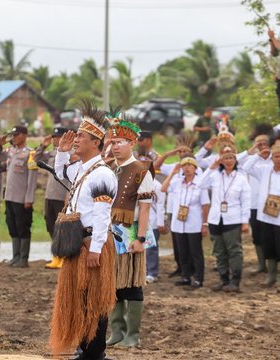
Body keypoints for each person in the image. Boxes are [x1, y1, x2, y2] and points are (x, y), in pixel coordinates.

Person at [50, 100, 117, 360]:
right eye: (76, 134)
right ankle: (84, 347)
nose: (75, 139)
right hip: (79, 243)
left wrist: (96, 250)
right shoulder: (83, 168)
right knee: (79, 298)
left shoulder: (102, 174)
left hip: (92, 244)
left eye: (80, 136)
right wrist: (62, 152)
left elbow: (102, 217)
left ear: (96, 143)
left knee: (95, 299)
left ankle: (94, 352)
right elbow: (61, 173)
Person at [104, 110, 155, 348]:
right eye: (112, 142)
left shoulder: (142, 171)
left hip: (131, 231)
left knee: (132, 283)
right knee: (113, 282)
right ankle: (117, 331)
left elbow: (144, 210)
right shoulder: (109, 169)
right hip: (110, 233)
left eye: (119, 143)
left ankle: (132, 335)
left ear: (132, 143)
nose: (114, 147)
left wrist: (140, 238)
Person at [243, 140, 280, 287]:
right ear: (272, 158)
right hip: (265, 217)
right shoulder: (265, 170)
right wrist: (258, 155)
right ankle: (271, 276)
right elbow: (246, 167)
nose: (279, 159)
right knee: (268, 246)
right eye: (276, 156)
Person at [197, 145, 251, 292]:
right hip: (215, 219)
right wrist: (212, 167)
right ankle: (224, 279)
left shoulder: (241, 178)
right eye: (225, 158)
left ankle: (235, 281)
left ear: (235, 160)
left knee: (234, 250)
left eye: (231, 157)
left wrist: (245, 221)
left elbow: (246, 202)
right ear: (221, 160)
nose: (228, 160)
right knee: (219, 251)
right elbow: (200, 184)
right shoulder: (214, 175)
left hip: (233, 219)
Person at [0, 126, 38, 268]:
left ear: (24, 136)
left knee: (23, 226)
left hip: (22, 197)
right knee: (12, 226)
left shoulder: (30, 153)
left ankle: (23, 259)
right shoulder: (10, 151)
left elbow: (32, 178)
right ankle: (15, 256)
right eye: (13, 135)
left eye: (17, 135)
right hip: (10, 196)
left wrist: (29, 198)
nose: (14, 138)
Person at [161, 156, 210, 289]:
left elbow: (205, 205)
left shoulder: (201, 183)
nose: (187, 168)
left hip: (194, 224)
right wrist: (172, 173)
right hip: (178, 224)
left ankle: (199, 278)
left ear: (195, 168)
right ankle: (185, 276)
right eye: (184, 165)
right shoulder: (178, 182)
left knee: (196, 252)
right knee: (182, 252)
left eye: (190, 165)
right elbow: (163, 188)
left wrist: (205, 224)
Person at [35, 127, 70, 269]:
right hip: (50, 195)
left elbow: (72, 178)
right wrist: (43, 145)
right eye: (54, 137)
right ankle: (56, 256)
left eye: (58, 137)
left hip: (62, 196)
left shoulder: (70, 154)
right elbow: (36, 160)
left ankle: (64, 258)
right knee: (51, 226)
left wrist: (68, 196)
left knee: (62, 229)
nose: (55, 139)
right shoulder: (51, 153)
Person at [246, 134, 272, 274]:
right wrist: (256, 152)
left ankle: (272, 264)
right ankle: (262, 265)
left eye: (264, 143)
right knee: (257, 236)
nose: (262, 146)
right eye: (258, 143)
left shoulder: (275, 159)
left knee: (270, 235)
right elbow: (244, 167)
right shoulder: (252, 160)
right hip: (254, 205)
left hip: (271, 204)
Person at [146, 178, 166, 283]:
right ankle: (143, 271)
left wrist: (160, 222)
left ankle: (152, 273)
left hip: (152, 221)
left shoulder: (156, 185)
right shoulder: (137, 181)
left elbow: (160, 205)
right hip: (138, 221)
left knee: (151, 249)